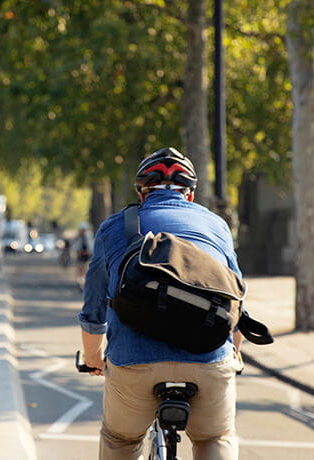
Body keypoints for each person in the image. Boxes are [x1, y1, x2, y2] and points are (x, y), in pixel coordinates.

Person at [78, 147, 244, 460]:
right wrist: (234, 351)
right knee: (215, 437)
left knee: (120, 440)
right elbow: (237, 300)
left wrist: (93, 358)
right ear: (190, 196)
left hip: (133, 360)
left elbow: (93, 309)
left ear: (142, 194)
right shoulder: (217, 227)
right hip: (208, 357)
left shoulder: (114, 228)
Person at [74, 223, 93, 288]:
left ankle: (81, 281)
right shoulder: (87, 235)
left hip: (83, 254)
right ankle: (81, 281)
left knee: (81, 268)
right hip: (84, 254)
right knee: (82, 268)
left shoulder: (85, 235)